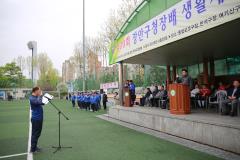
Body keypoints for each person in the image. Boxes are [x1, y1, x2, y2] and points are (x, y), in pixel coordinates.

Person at [29, 87, 46, 153]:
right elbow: (38, 102)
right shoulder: (32, 98)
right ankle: (33, 149)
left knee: (37, 134)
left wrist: (47, 99)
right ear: (35, 91)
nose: (40, 91)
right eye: (39, 90)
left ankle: (35, 146)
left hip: (39, 118)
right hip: (36, 118)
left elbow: (42, 103)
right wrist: (40, 95)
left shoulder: (36, 97)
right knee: (35, 134)